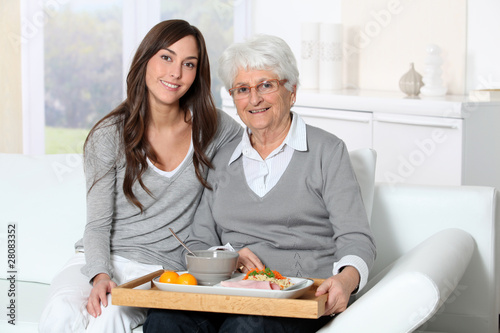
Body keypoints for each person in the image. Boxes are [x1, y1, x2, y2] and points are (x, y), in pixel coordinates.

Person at [143, 34, 376, 333]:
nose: (254, 99)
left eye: (266, 85)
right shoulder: (222, 157)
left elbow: (356, 237)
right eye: (242, 89)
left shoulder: (327, 151)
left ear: (291, 91)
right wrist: (229, 257)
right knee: (163, 320)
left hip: (296, 299)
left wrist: (346, 279)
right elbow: (200, 241)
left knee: (247, 327)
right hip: (227, 295)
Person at [39, 19, 242, 333]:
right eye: (166, 57)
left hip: (159, 269)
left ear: (197, 75)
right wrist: (100, 275)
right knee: (61, 311)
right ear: (145, 60)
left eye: (189, 64)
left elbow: (256, 157)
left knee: (110, 315)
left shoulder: (214, 128)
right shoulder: (109, 135)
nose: (175, 73)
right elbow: (97, 224)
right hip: (97, 259)